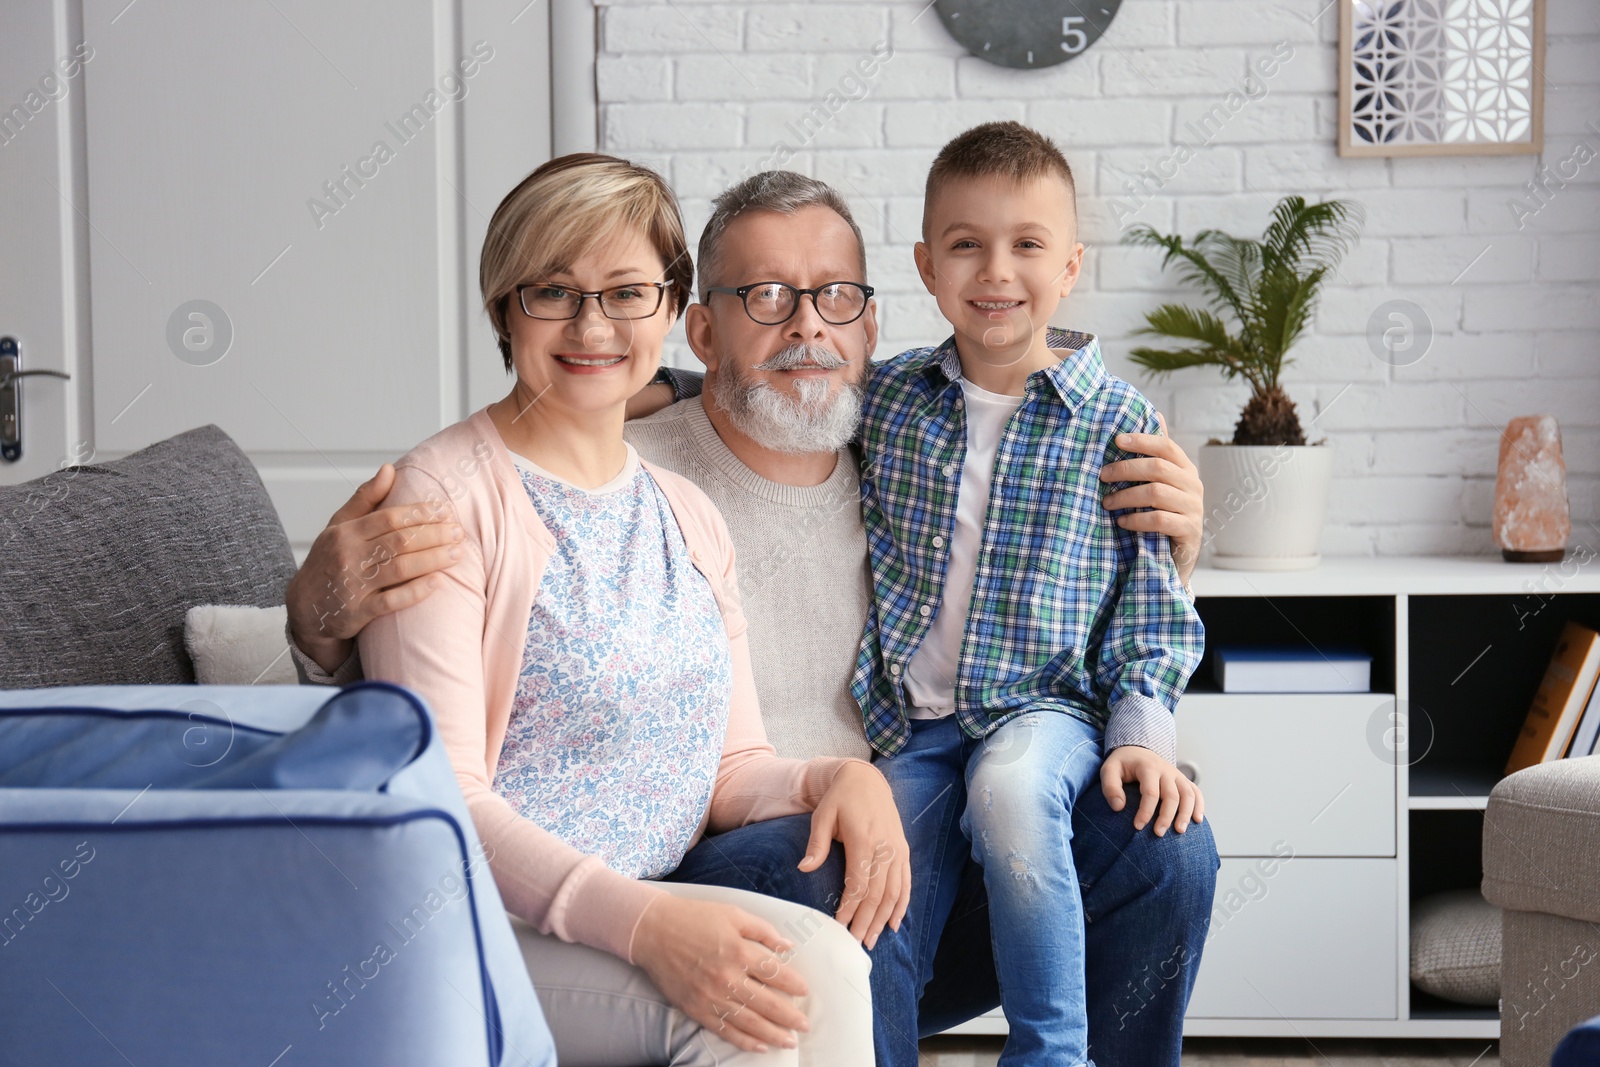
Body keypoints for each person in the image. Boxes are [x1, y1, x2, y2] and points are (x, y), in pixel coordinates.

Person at [286, 168, 1217, 1067]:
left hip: (900, 832)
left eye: (836, 298)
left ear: (873, 326)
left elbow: (1026, 497)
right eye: (766, 295)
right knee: (835, 866)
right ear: (700, 330)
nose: (807, 325)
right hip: (708, 876)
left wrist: (1167, 531)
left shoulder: (894, 443)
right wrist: (315, 616)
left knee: (1160, 845)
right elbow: (432, 731)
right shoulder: (589, 463)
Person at [353, 152, 903, 1065]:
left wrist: (831, 781)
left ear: (669, 312)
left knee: (825, 967)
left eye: (625, 293)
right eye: (554, 292)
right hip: (468, 922)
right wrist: (651, 926)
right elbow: (442, 803)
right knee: (755, 1020)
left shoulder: (684, 512)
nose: (592, 324)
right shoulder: (440, 501)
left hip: (636, 905)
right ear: (503, 307)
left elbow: (733, 768)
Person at [853, 121, 1207, 1066]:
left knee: (1010, 788)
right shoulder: (885, 400)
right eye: (966, 244)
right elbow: (774, 388)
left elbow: (1151, 606)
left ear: (1072, 264)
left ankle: (1051, 1050)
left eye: (1027, 243)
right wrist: (664, 384)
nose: (995, 269)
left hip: (1042, 712)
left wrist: (1141, 736)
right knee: (871, 867)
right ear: (928, 266)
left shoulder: (1117, 421)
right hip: (913, 729)